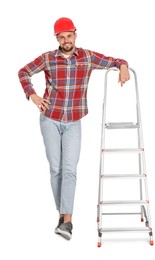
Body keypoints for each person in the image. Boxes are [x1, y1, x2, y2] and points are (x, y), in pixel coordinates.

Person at [18, 17, 130, 240]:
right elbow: (23, 72)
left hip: (74, 122)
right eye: (62, 37)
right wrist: (32, 95)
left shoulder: (87, 57)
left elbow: (113, 60)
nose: (66, 40)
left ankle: (66, 221)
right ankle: (62, 214)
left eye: (69, 36)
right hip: (50, 118)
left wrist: (123, 65)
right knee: (56, 169)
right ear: (57, 38)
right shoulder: (48, 58)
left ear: (75, 35)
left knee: (69, 170)